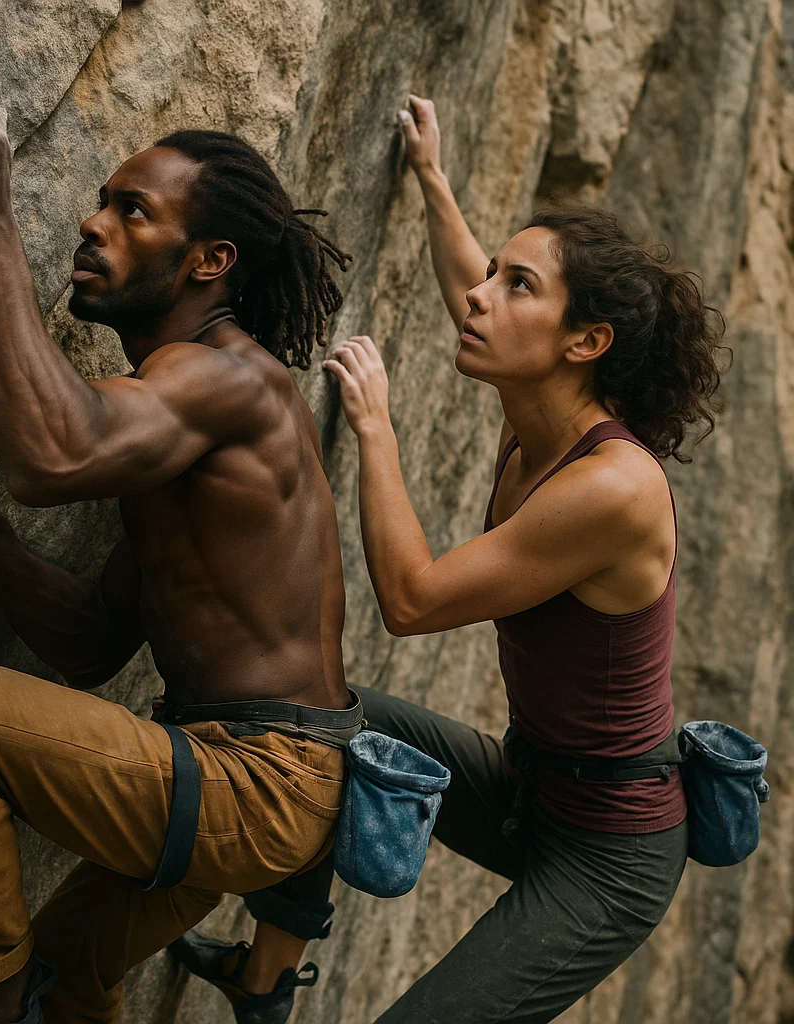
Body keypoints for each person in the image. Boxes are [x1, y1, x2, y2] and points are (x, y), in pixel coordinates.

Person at [170, 95, 729, 1023]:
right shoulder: (539, 405)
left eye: (520, 286)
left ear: (586, 343)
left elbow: (414, 600)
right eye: (498, 274)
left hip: (609, 858)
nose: (481, 295)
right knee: (316, 714)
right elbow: (468, 278)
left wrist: (377, 428)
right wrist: (433, 178)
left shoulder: (615, 488)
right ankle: (264, 981)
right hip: (527, 785)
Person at [0, 97, 361, 1024]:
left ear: (209, 263)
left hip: (252, 786)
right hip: (256, 795)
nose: (93, 221)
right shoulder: (194, 418)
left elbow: (53, 455)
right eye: (102, 198)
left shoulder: (229, 380)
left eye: (134, 211)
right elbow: (91, 641)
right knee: (73, 978)